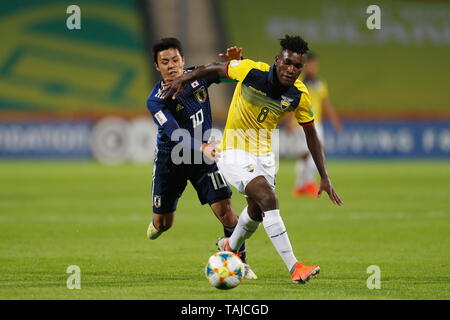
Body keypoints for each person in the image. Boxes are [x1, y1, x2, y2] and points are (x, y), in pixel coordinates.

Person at [161, 35, 343, 284]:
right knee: (268, 198)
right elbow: (213, 68)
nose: (291, 70)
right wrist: (183, 77)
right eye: (287, 63)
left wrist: (324, 175)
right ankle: (295, 267)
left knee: (256, 211)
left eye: (297, 66)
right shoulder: (251, 71)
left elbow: (311, 134)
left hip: (265, 156)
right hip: (233, 151)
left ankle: (229, 244)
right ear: (277, 60)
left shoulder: (298, 94)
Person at [146, 38, 257, 279]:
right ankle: (156, 224)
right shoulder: (156, 99)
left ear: (183, 60)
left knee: (226, 211)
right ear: (157, 66)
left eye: (175, 60)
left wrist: (237, 62)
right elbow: (175, 134)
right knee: (164, 224)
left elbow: (233, 77)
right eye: (164, 62)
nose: (171, 65)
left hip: (204, 159)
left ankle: (240, 263)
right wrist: (202, 146)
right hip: (171, 161)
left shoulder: (198, 75)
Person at [285, 52, 342, 197]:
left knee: (308, 155)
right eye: (309, 64)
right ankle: (308, 183)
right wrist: (289, 120)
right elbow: (292, 101)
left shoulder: (320, 84)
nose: (312, 67)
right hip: (301, 122)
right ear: (304, 66)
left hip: (317, 122)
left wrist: (334, 119)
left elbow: (325, 103)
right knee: (312, 153)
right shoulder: (299, 82)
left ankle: (301, 185)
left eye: (314, 64)